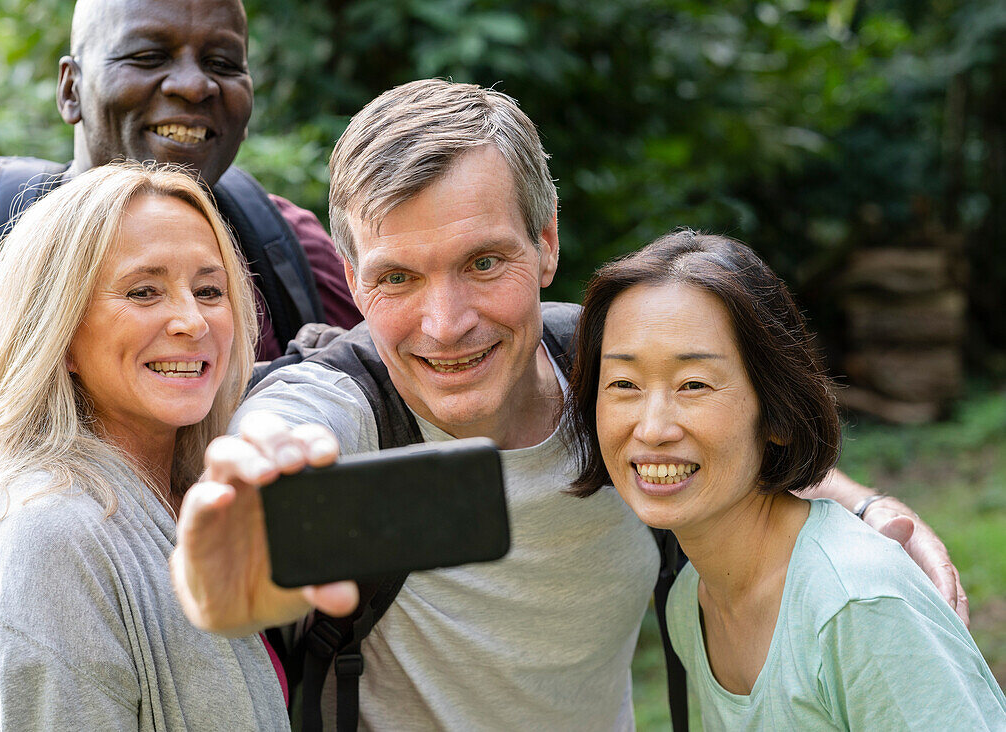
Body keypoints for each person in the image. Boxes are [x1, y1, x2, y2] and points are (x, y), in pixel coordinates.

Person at [170, 79, 970, 729]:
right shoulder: (349, 402)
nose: (446, 326)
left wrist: (869, 510)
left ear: (547, 243)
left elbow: (720, 440)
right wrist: (253, 471)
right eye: (398, 278)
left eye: (484, 262)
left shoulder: (610, 378)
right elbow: (289, 424)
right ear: (351, 280)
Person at [0, 0, 361, 727]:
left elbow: (391, 365)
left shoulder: (285, 247)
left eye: (211, 289)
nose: (190, 86)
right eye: (147, 57)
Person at [564, 230, 1006, 729]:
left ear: (776, 413)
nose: (652, 428)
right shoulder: (692, 605)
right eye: (624, 384)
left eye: (693, 385)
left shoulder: (853, 605)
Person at [0, 162, 294, 729]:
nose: (192, 320)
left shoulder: (190, 494)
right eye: (144, 291)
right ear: (59, 331)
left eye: (209, 289)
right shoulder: (48, 534)